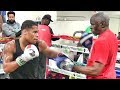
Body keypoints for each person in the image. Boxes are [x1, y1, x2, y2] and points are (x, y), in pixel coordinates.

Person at [56, 12, 118, 79]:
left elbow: (95, 71)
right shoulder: (112, 36)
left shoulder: (101, 41)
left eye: (93, 24)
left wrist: (70, 66)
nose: (91, 27)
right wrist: (90, 47)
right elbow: (105, 57)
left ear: (102, 24)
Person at [38, 14, 60, 78]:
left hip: (44, 50)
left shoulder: (49, 28)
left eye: (49, 21)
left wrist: (58, 37)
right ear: (44, 20)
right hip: (39, 49)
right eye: (48, 20)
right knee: (40, 66)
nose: (49, 22)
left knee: (43, 66)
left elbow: (52, 37)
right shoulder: (36, 26)